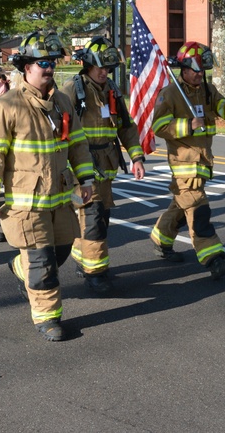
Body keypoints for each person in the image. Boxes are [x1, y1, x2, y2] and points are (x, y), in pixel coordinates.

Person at [0, 31, 95, 341]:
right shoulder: (7, 104)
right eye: (43, 62)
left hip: (59, 199)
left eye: (53, 62)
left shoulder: (62, 101)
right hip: (25, 203)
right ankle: (48, 319)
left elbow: (78, 144)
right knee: (43, 263)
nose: (50, 68)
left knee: (59, 253)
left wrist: (86, 178)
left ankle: (21, 267)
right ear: (26, 67)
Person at [149, 41, 225, 280]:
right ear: (184, 69)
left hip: (203, 163)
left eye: (203, 70)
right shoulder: (170, 94)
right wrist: (187, 125)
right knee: (199, 210)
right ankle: (213, 259)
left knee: (182, 206)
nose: (200, 74)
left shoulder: (207, 90)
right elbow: (158, 126)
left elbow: (224, 111)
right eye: (196, 70)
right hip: (183, 165)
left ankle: (161, 237)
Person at [61, 37, 146, 294]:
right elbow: (58, 130)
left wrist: (137, 156)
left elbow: (125, 126)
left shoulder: (111, 89)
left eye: (108, 68)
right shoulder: (71, 90)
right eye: (100, 67)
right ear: (87, 65)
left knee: (100, 218)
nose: (104, 72)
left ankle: (81, 253)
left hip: (106, 166)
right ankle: (95, 273)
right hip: (82, 167)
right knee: (94, 218)